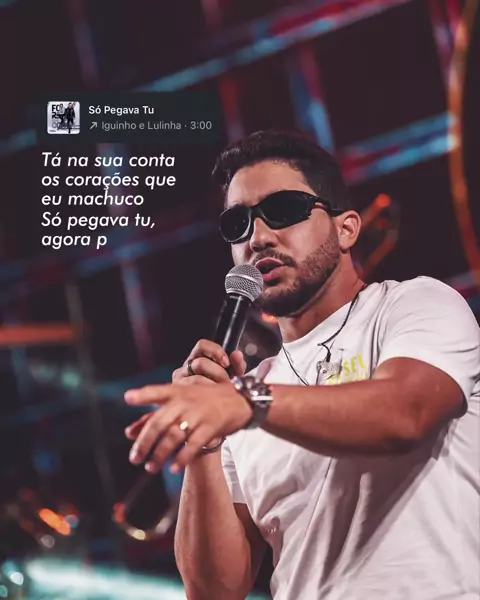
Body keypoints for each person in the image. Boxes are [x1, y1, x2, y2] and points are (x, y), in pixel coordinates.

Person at [124, 130, 480, 599]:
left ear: (346, 228)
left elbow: (405, 414)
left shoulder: (415, 306)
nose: (258, 238)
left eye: (284, 209)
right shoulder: (242, 396)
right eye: (238, 223)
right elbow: (214, 592)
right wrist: (206, 443)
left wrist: (245, 403)